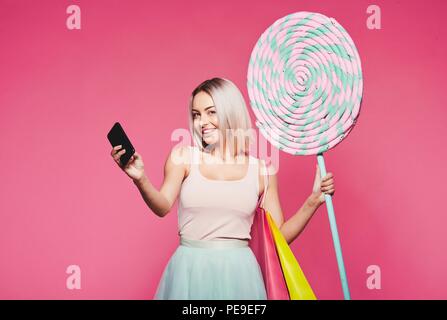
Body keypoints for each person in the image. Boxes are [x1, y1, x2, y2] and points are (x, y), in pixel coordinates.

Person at [110, 77, 335, 299]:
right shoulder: (183, 157)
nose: (202, 122)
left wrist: (313, 201)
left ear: (231, 112)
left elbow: (279, 237)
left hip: (240, 275)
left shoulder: (262, 171)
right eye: (196, 115)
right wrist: (140, 178)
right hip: (189, 272)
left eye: (211, 112)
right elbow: (162, 206)